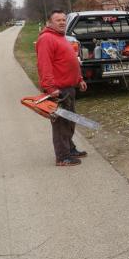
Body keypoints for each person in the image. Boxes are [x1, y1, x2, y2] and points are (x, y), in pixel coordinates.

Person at [36, 9, 88, 166]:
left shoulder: (60, 37)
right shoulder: (46, 39)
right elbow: (44, 66)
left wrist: (79, 79)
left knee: (69, 121)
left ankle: (70, 148)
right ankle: (62, 156)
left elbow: (69, 61)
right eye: (58, 20)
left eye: (64, 20)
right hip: (58, 90)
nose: (62, 22)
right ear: (49, 23)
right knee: (60, 124)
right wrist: (51, 88)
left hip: (69, 87)